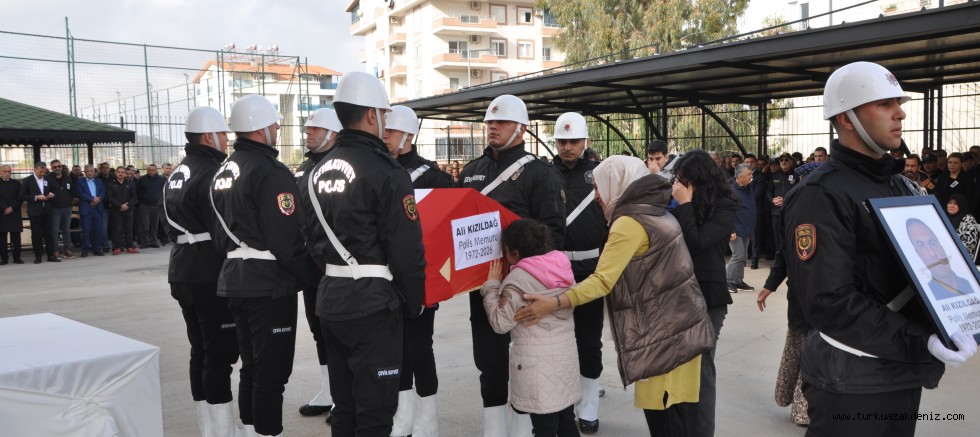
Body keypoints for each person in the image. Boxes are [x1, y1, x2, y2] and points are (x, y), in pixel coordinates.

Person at [783, 61, 977, 436]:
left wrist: (966, 289)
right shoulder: (821, 195)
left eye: (898, 102)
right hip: (852, 379)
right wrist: (921, 339)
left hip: (899, 370)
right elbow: (828, 301)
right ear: (847, 118)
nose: (900, 112)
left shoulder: (899, 186)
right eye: (885, 103)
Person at [515, 156, 714, 437]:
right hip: (681, 326)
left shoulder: (629, 223)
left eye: (598, 187)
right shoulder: (653, 210)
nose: (595, 196)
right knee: (678, 417)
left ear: (616, 183)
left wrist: (555, 302)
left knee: (665, 422)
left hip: (665, 335)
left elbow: (601, 281)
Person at [302, 72, 426, 437]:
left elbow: (309, 241)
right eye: (384, 116)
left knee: (345, 409)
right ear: (372, 115)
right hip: (374, 304)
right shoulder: (387, 171)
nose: (385, 123)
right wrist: (413, 300)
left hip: (330, 300)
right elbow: (406, 250)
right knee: (375, 412)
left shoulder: (312, 173)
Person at [456, 93, 566, 436]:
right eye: (489, 122)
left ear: (520, 128)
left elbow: (555, 233)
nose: (492, 127)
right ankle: (494, 430)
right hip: (482, 284)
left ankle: (522, 429)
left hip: (525, 287)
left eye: (500, 122)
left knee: (525, 360)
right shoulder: (472, 171)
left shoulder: (540, 173)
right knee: (488, 361)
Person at [211, 94, 319, 437]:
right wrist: (312, 277)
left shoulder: (223, 171)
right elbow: (287, 239)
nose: (276, 128)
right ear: (259, 128)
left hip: (235, 280)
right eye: (273, 123)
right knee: (271, 374)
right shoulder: (269, 172)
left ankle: (251, 431)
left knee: (251, 368)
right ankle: (268, 433)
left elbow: (217, 235)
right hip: (268, 284)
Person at [164, 106, 243, 436]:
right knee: (220, 355)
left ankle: (208, 427)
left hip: (182, 267)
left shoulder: (176, 173)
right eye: (223, 133)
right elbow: (225, 226)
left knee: (201, 351)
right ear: (209, 136)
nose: (226, 139)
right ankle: (223, 430)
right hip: (209, 272)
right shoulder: (214, 172)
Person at [383, 104, 451, 437]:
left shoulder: (433, 175)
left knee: (419, 348)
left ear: (409, 136)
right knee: (395, 349)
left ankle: (428, 420)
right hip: (384, 276)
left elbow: (447, 227)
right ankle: (403, 417)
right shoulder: (379, 169)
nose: (385, 137)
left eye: (391, 132)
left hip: (421, 276)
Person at [481, 219, 580, 437]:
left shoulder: (516, 280)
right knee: (566, 420)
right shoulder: (561, 265)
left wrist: (491, 288)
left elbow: (500, 323)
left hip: (536, 367)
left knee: (544, 427)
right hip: (565, 360)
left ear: (514, 252)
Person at [668, 150, 737, 437]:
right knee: (675, 369)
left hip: (707, 298)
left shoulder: (725, 205)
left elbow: (697, 242)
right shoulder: (681, 202)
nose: (680, 185)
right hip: (674, 294)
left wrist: (683, 203)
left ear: (700, 180)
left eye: (686, 180)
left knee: (700, 371)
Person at [551, 112, 606, 434]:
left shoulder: (601, 173)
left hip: (590, 271)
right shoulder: (544, 173)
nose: (567, 147)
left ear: (585, 142)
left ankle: (588, 406)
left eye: (573, 141)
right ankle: (560, 402)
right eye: (562, 141)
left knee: (588, 341)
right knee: (557, 342)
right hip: (553, 270)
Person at [293, 107, 341, 425]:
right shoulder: (303, 168)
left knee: (338, 333)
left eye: (314, 128)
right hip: (310, 265)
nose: (307, 132)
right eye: (307, 128)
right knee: (318, 331)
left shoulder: (341, 165)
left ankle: (343, 395)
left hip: (337, 264)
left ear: (333, 133)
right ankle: (328, 391)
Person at [906, 218, 974, 300]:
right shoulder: (928, 295)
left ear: (941, 247)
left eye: (932, 243)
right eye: (921, 245)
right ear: (918, 254)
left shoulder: (971, 284)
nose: (932, 254)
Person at [727, 164, 755, 293]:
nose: (751, 176)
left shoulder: (747, 187)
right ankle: (728, 281)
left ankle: (738, 281)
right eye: (749, 174)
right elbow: (727, 211)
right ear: (740, 177)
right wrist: (731, 229)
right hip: (736, 229)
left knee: (742, 256)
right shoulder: (732, 190)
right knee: (737, 255)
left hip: (746, 227)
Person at [20, 161, 56, 263]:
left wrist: (52, 195)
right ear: (35, 169)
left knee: (49, 233)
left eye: (43, 171)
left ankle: (50, 255)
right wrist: (36, 197)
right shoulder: (27, 180)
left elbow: (54, 190)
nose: (42, 173)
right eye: (40, 171)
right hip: (35, 211)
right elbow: (22, 195)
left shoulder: (48, 179)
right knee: (36, 234)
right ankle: (38, 256)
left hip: (47, 210)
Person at [766, 153, 797, 263]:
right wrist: (773, 200)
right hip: (776, 212)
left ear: (791, 161)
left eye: (786, 160)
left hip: (790, 212)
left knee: (790, 236)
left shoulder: (796, 175)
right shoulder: (775, 175)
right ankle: (778, 261)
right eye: (781, 160)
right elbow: (768, 191)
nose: (784, 162)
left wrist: (786, 201)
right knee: (777, 237)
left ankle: (790, 260)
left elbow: (799, 192)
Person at [45, 159, 75, 259]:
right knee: (55, 230)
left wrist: (70, 201)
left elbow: (71, 191)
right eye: (55, 167)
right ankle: (55, 250)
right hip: (55, 209)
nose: (57, 168)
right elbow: (45, 192)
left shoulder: (67, 178)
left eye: (59, 166)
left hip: (67, 207)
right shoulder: (48, 179)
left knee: (66, 230)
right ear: (52, 168)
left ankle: (67, 250)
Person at [105, 166, 138, 255]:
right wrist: (120, 205)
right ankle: (117, 247)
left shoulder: (130, 183)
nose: (120, 174)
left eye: (122, 172)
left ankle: (130, 247)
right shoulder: (111, 183)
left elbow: (134, 197)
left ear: (125, 174)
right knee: (117, 229)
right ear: (116, 173)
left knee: (128, 229)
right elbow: (110, 197)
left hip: (128, 209)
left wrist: (127, 205)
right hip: (116, 210)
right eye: (118, 172)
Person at [76, 165, 106, 257]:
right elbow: (81, 194)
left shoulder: (99, 181)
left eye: (92, 171)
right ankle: (85, 249)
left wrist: (98, 199)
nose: (90, 173)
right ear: (85, 172)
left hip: (97, 209)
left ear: (94, 172)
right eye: (88, 171)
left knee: (98, 230)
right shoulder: (80, 182)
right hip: (86, 209)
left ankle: (96, 248)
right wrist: (92, 199)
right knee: (86, 230)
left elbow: (103, 192)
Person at [136, 164, 165, 248]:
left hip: (156, 205)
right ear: (147, 170)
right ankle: (144, 242)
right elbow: (137, 191)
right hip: (144, 205)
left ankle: (153, 241)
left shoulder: (161, 179)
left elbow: (163, 191)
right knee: (145, 225)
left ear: (156, 170)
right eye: (149, 170)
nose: (151, 172)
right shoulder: (142, 179)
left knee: (154, 225)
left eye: (153, 170)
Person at [0, 165, 24, 264]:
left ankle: (17, 258)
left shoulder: (16, 183)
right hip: (2, 213)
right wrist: (4, 208)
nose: (7, 173)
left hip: (14, 213)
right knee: (2, 238)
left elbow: (20, 197)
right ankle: (4, 259)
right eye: (5, 171)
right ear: (1, 172)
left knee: (16, 237)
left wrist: (11, 207)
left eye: (9, 171)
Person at [946, 194, 980, 263]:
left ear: (961, 205)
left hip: (961, 257)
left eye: (955, 204)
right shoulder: (943, 217)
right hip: (943, 254)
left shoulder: (968, 220)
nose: (951, 206)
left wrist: (950, 249)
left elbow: (970, 243)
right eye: (950, 203)